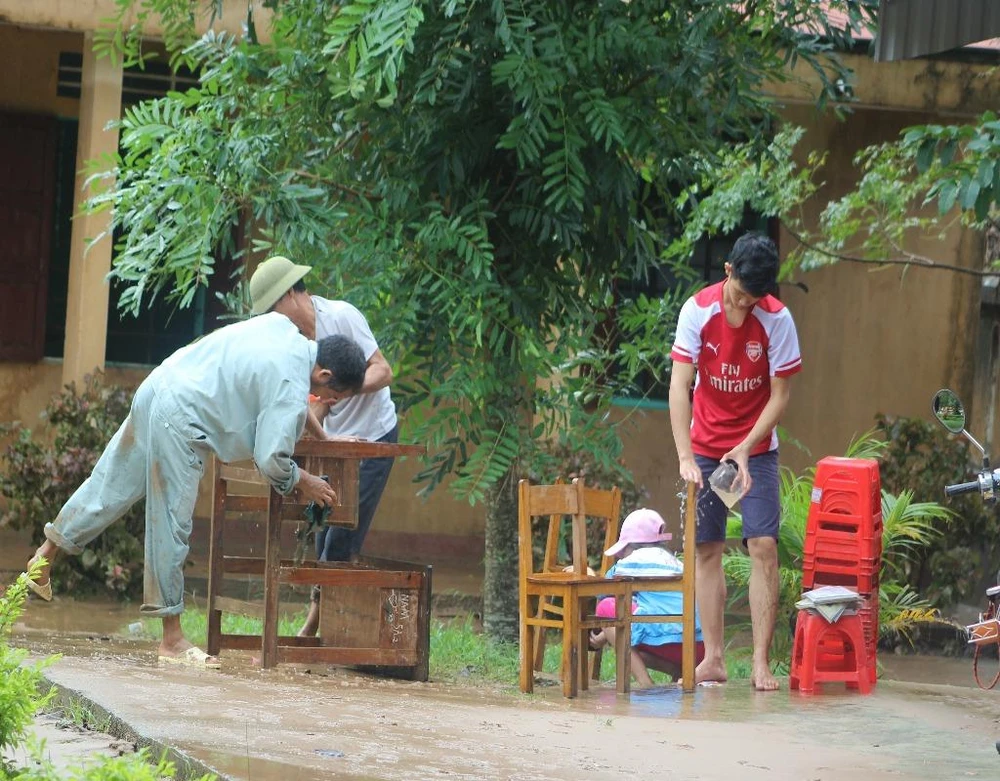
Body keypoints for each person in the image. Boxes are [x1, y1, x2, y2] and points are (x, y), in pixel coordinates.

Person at [23, 316, 368, 669]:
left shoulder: (282, 330)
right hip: (182, 420)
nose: (329, 402)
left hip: (159, 386)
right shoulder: (290, 385)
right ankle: (172, 639)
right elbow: (271, 460)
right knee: (171, 524)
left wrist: (320, 438)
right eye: (334, 396)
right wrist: (304, 480)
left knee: (109, 485)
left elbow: (284, 395)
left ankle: (46, 556)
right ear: (324, 375)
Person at [668, 232, 801, 691]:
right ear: (728, 271)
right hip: (707, 451)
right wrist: (686, 456)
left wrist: (746, 445)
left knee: (763, 547)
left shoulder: (778, 320)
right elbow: (679, 385)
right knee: (707, 550)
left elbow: (781, 395)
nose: (745, 307)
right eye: (741, 295)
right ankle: (715, 659)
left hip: (755, 452)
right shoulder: (696, 310)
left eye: (755, 299)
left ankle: (761, 664)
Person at [248, 256, 398, 638]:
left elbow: (383, 369)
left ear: (289, 296)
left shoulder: (342, 317)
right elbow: (302, 403)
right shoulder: (286, 342)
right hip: (328, 442)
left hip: (372, 437)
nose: (270, 317)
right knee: (320, 527)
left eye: (271, 308)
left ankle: (315, 628)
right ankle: (329, 624)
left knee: (342, 536)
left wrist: (343, 390)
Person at [588, 508, 704, 688]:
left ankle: (645, 683)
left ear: (630, 546)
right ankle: (679, 671)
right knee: (629, 645)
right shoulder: (676, 562)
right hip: (698, 647)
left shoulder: (630, 562)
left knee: (605, 607)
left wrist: (588, 575)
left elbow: (602, 590)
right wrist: (605, 636)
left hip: (669, 645)